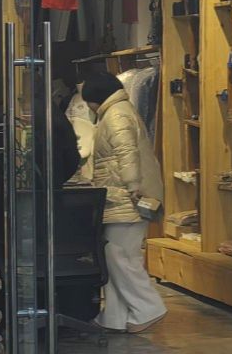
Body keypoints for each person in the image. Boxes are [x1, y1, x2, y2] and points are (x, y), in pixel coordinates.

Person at [81, 71, 167, 333]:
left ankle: (149, 307)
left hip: (126, 196)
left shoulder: (116, 115)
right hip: (120, 195)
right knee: (116, 255)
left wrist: (133, 187)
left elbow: (126, 152)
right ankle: (114, 317)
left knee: (119, 256)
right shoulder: (118, 111)